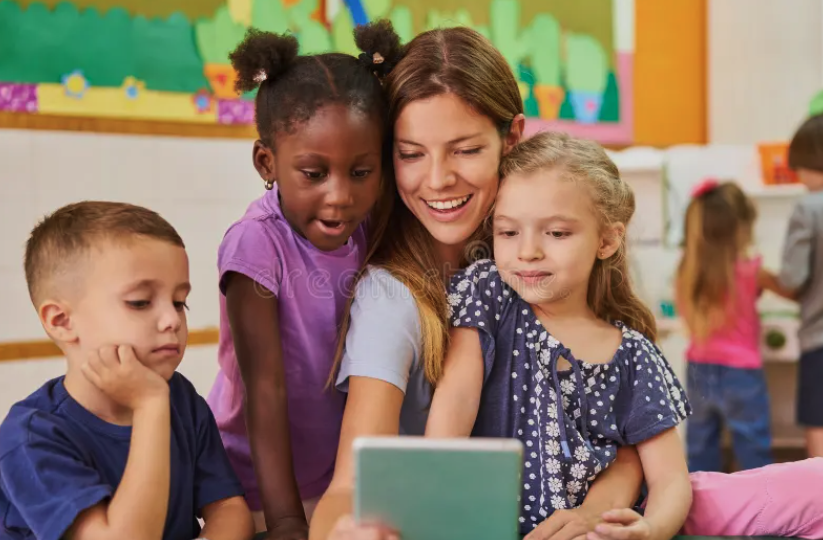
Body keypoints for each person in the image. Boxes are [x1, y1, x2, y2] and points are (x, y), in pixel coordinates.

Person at [311, 23, 647, 540]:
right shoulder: (392, 299)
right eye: (411, 153)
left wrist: (593, 513)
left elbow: (627, 433)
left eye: (465, 150)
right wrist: (342, 532)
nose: (438, 179)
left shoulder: (543, 267)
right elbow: (348, 488)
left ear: (511, 137)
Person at [426, 132, 693, 540]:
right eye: (508, 232)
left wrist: (650, 529)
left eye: (557, 233)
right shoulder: (489, 295)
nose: (528, 251)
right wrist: (430, 502)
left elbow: (671, 478)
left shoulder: (634, 356)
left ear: (607, 240)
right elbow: (456, 400)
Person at [205, 23, 403, 540]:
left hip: (331, 480)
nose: (340, 196)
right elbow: (264, 390)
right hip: (253, 489)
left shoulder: (365, 226)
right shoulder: (256, 244)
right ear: (267, 163)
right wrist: (286, 522)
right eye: (314, 174)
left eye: (360, 172)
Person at [0, 201, 254, 540]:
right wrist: (150, 406)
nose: (172, 320)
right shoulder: (30, 437)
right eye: (140, 302)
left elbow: (229, 509)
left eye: (179, 302)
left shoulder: (180, 397)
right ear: (61, 321)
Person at [675, 179, 789, 472]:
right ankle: (762, 499)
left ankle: (702, 501)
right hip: (741, 372)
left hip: (699, 369)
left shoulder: (686, 273)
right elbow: (794, 290)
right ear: (741, 228)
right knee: (753, 448)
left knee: (700, 448)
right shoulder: (752, 272)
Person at [776, 113, 823, 457]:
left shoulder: (809, 208)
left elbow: (792, 280)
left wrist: (764, 278)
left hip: (819, 340)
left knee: (818, 424)